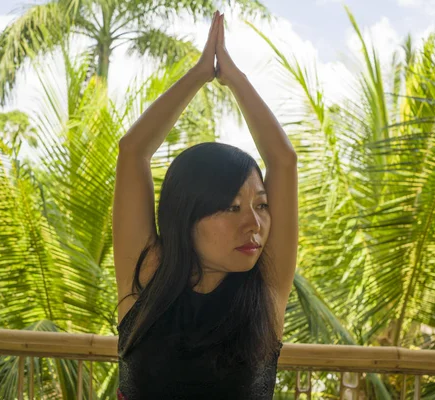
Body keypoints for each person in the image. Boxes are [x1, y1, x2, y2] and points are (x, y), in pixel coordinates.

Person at [112, 9, 298, 399]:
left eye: (261, 205)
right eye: (231, 207)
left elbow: (283, 160)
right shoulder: (147, 275)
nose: (255, 224)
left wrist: (236, 79)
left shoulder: (264, 292)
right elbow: (132, 152)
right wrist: (199, 74)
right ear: (187, 214)